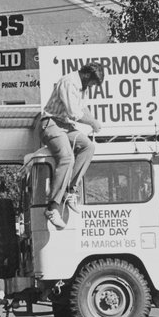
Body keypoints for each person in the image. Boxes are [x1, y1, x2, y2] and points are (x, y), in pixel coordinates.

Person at [39, 63, 105, 229]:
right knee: (67, 158)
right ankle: (52, 208)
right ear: (86, 75)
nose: (91, 86)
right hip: (51, 123)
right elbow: (74, 112)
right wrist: (93, 122)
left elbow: (83, 108)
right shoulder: (68, 82)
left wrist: (94, 121)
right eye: (92, 83)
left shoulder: (82, 87)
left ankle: (70, 191)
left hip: (65, 126)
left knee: (88, 147)